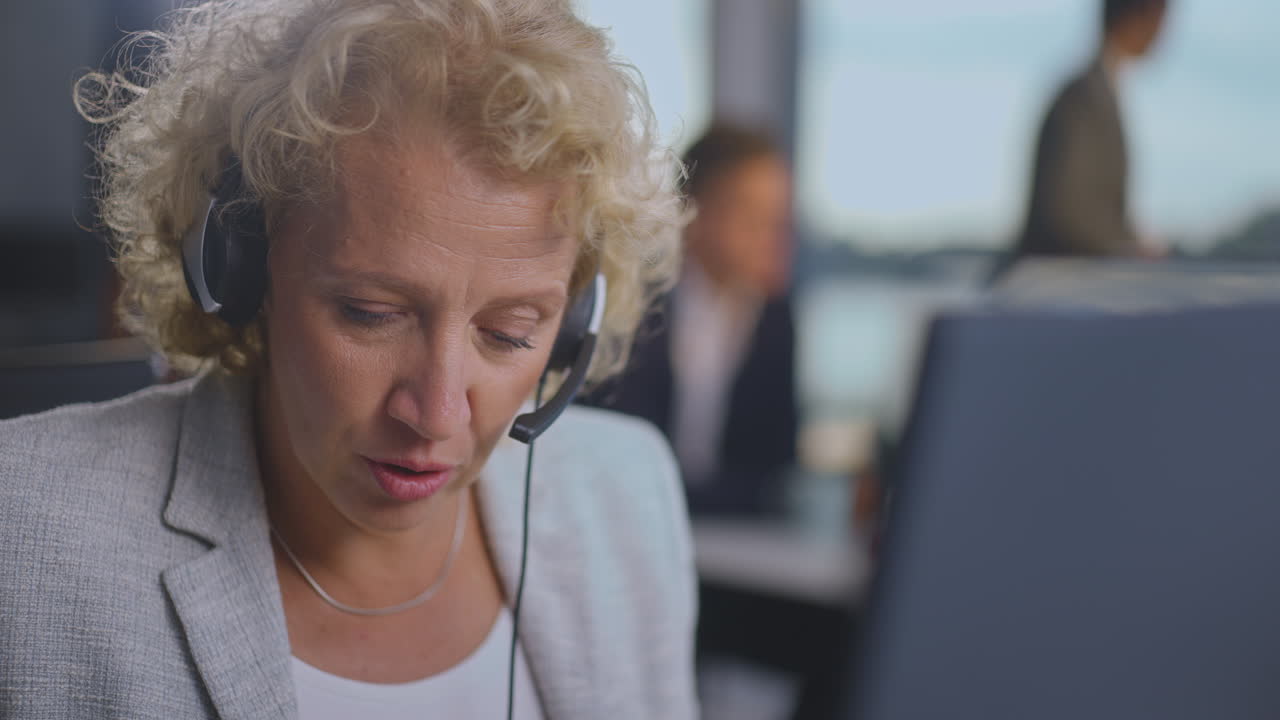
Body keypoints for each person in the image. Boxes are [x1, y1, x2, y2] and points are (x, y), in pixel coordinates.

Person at [0, 1, 697, 718]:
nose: (436, 413)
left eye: (511, 331)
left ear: (575, 320)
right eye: (372, 314)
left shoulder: (628, 498)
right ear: (239, 266)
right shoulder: (25, 534)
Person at [588, 123, 798, 515]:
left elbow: (776, 460)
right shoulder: (635, 302)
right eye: (754, 219)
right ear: (695, 213)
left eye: (779, 221)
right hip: (632, 514)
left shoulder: (775, 317)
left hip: (735, 532)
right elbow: (613, 448)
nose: (773, 239)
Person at [1014, 0, 1170, 259]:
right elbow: (1063, 214)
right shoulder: (1082, 98)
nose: (1162, 34)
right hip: (1060, 279)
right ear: (1138, 16)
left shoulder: (1096, 91)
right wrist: (1128, 247)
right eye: (1160, 20)